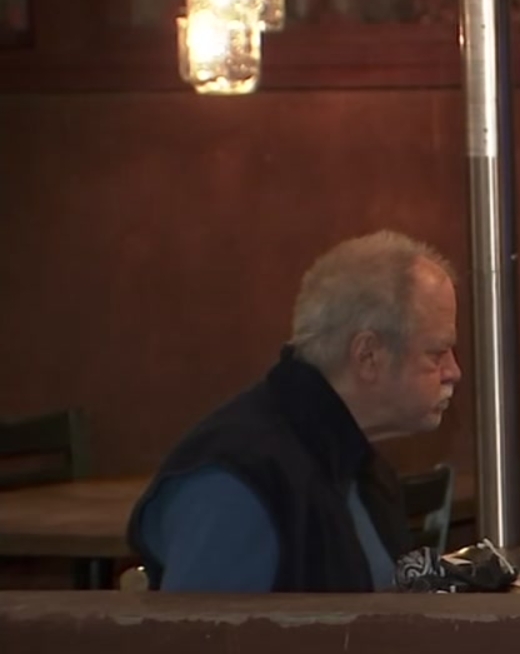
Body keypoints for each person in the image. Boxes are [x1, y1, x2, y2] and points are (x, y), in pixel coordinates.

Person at [127, 231, 462, 592]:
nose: (453, 372)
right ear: (368, 356)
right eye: (436, 353)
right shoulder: (237, 481)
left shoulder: (361, 468)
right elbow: (205, 629)